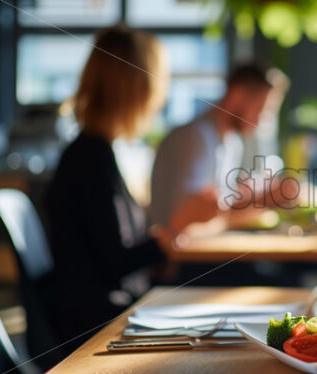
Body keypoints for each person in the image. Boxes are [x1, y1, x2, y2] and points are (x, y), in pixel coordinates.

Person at [45, 25, 218, 347]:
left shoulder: (95, 153)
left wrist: (163, 247)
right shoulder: (90, 161)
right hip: (99, 328)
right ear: (137, 89)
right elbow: (115, 263)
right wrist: (178, 224)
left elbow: (111, 252)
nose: (160, 96)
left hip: (113, 314)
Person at [150, 63, 289, 228]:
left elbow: (217, 205)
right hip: (176, 251)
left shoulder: (232, 142)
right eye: (261, 109)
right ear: (236, 94)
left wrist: (262, 196)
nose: (262, 120)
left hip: (200, 245)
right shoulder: (195, 138)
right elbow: (188, 215)